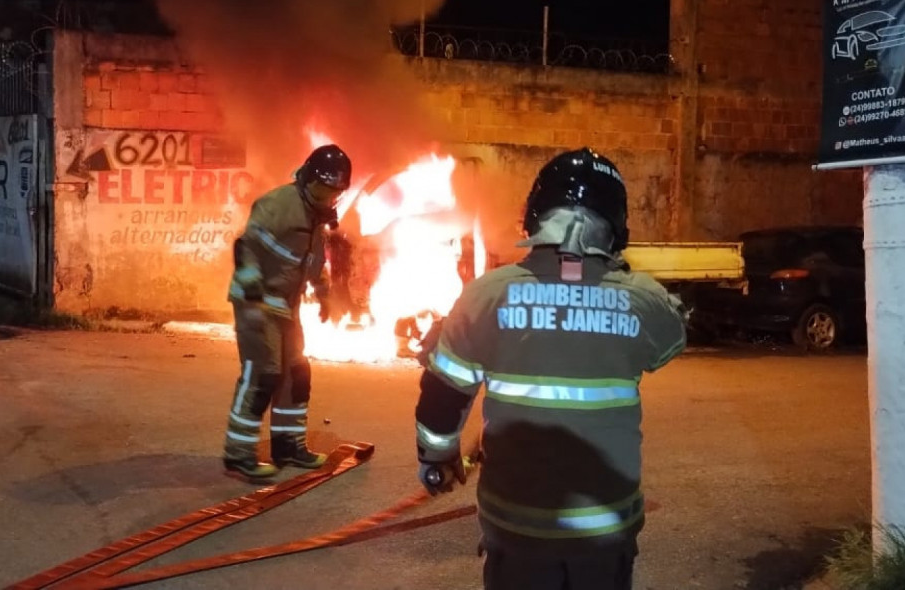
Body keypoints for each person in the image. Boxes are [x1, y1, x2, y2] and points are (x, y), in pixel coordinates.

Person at [413, 147, 687, 590]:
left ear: (535, 218)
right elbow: (668, 341)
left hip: (516, 529)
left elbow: (442, 396)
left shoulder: (484, 295)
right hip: (605, 534)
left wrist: (437, 459)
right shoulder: (643, 300)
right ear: (616, 226)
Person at [222, 144, 352, 481]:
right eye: (322, 190)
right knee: (263, 375)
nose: (327, 198)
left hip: (285, 307)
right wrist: (252, 291)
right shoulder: (279, 205)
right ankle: (238, 454)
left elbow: (312, 259)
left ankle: (288, 446)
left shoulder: (316, 215)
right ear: (307, 178)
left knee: (297, 373)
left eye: (334, 193)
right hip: (257, 301)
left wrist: (323, 294)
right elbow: (246, 246)